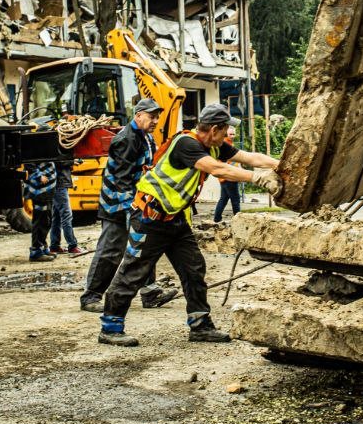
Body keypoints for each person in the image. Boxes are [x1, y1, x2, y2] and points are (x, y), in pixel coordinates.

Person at [98, 103, 281, 346]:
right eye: (225, 129)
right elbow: (216, 169)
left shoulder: (214, 146)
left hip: (175, 220)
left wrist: (280, 165)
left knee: (194, 268)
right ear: (214, 129)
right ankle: (110, 327)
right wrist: (257, 178)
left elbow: (248, 157)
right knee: (133, 271)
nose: (227, 134)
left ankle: (200, 325)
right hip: (149, 219)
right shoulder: (187, 144)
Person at [80, 98, 177, 312]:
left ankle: (150, 292)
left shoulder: (145, 137)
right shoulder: (127, 139)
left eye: (157, 117)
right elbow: (122, 179)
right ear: (138, 115)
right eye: (151, 116)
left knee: (144, 243)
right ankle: (90, 297)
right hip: (116, 204)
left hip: (135, 200)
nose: (155, 121)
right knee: (111, 251)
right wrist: (131, 209)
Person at [23, 159, 57, 262]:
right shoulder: (33, 145)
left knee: (46, 219)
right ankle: (36, 251)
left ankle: (43, 247)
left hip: (47, 189)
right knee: (40, 220)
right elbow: (28, 161)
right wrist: (38, 175)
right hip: (39, 189)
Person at [49, 158, 81, 254]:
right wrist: (71, 161)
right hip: (60, 183)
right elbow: (57, 161)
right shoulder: (56, 148)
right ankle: (72, 245)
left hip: (58, 183)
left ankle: (54, 246)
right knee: (66, 215)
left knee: (57, 216)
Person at [213, 126, 244, 223]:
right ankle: (238, 220)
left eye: (234, 134)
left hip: (225, 177)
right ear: (226, 133)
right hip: (229, 176)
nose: (232, 136)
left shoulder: (228, 143)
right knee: (235, 199)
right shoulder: (225, 144)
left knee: (224, 199)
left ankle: (217, 219)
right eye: (230, 134)